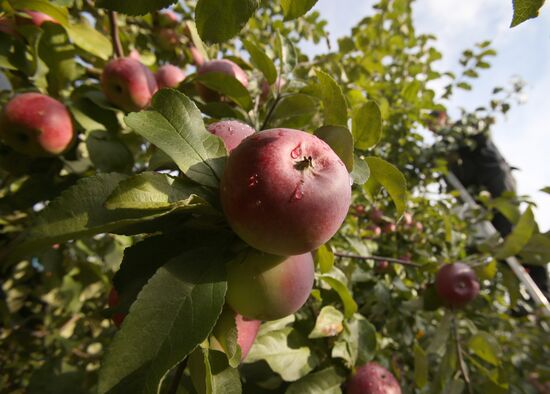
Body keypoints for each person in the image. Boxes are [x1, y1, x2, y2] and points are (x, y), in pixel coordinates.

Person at [429, 110, 549, 299]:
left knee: (512, 230)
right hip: (482, 194)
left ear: (443, 117)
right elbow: (461, 178)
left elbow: (476, 138)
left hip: (496, 181)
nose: (433, 129)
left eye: (433, 123)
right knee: (496, 241)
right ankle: (525, 296)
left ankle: (543, 288)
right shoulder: (448, 151)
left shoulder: (466, 127)